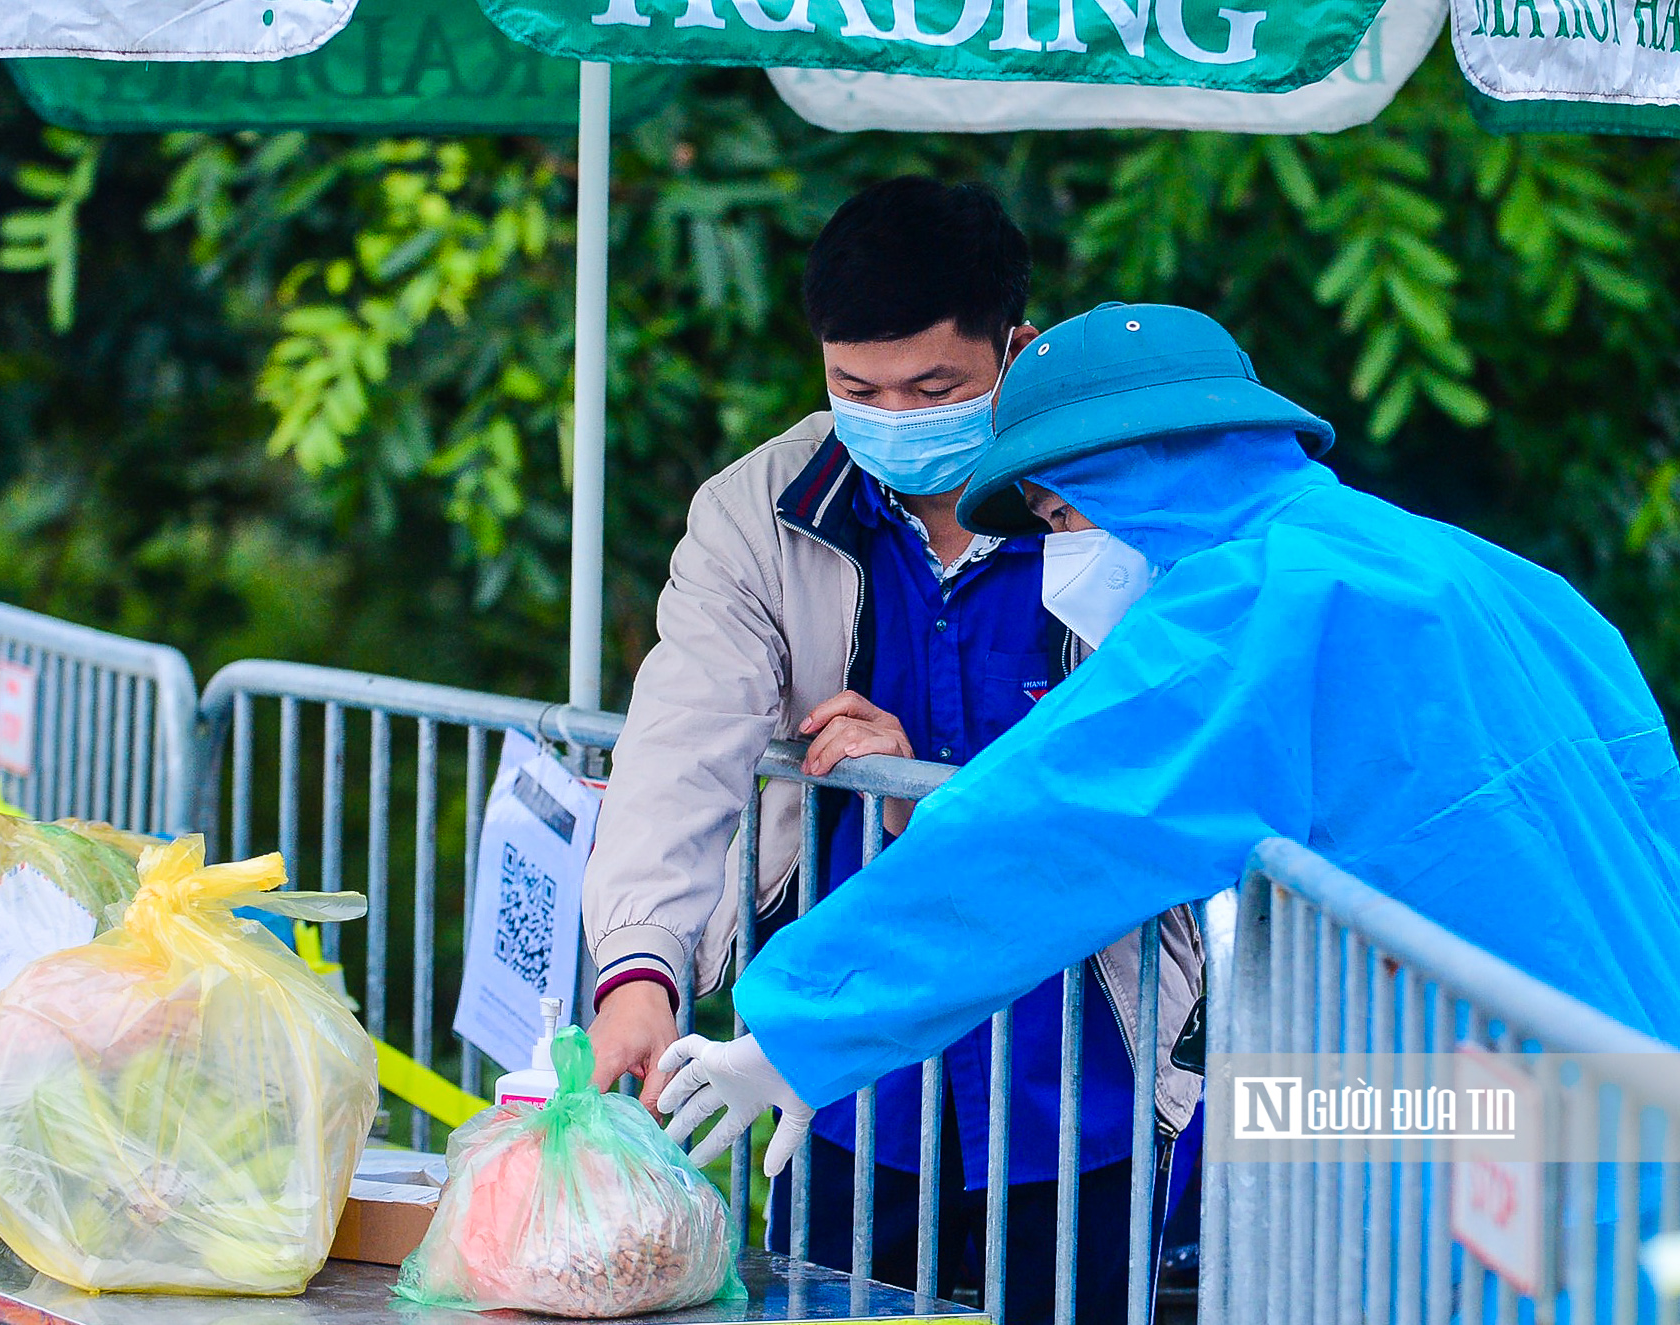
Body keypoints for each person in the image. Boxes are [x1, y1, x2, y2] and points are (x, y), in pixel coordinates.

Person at [659, 301, 1680, 1241]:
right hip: (1637, 1092)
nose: (1062, 559)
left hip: (1470, 1123)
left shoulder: (1250, 603)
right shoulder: (1500, 578)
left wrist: (798, 1025)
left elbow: (1038, 830)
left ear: (1121, 472)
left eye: (1059, 520)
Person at [581, 187, 1202, 1317]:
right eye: (856, 391)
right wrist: (637, 964)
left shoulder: (1114, 507)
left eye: (934, 389)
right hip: (843, 1076)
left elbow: (1158, 768)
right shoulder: (757, 512)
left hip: (1081, 1059)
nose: (894, 418)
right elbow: (680, 745)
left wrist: (939, 798)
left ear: (1016, 350)